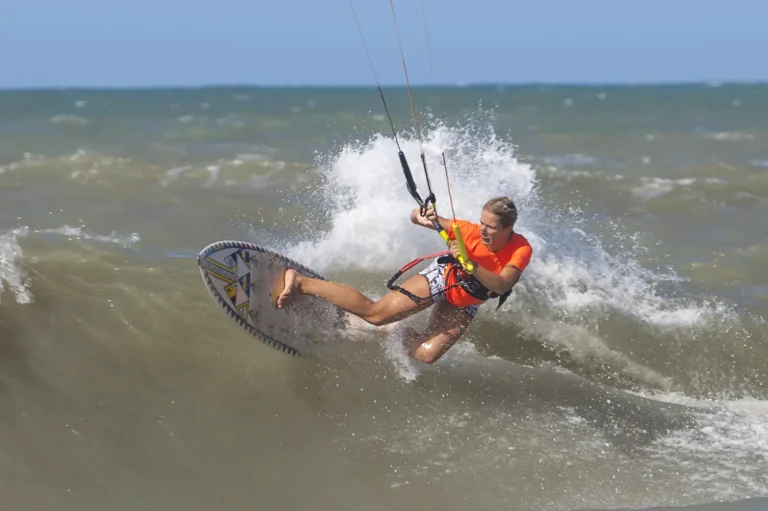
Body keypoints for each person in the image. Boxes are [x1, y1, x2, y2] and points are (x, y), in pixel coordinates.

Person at [272, 196, 533, 364]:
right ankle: (302, 283)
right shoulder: (468, 231)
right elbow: (416, 218)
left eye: (491, 227)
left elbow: (502, 284)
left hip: (468, 298)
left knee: (426, 354)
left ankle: (391, 330)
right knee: (376, 314)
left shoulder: (521, 249)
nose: (483, 230)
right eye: (481, 223)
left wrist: (471, 264)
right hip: (444, 277)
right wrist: (422, 214)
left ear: (508, 228)